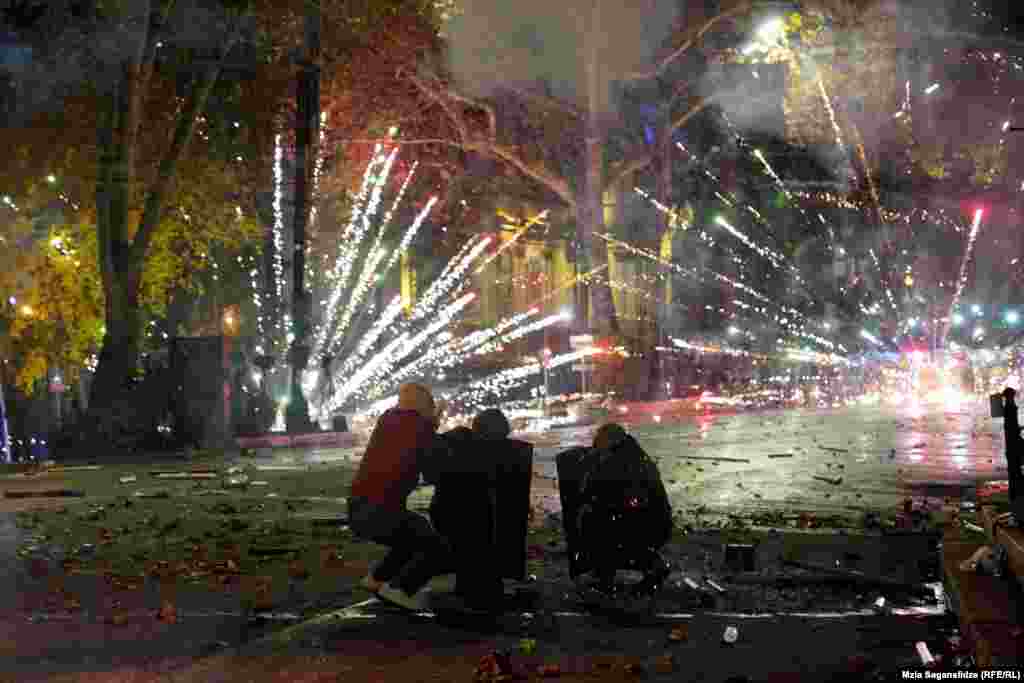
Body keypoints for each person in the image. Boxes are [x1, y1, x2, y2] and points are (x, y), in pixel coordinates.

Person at [347, 383, 448, 610]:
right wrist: (433, 424)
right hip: (379, 512)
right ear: (423, 406)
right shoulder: (419, 427)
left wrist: (430, 424)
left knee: (411, 534)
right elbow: (433, 472)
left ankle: (378, 579)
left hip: (358, 509)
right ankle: (401, 589)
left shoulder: (388, 420)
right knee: (435, 543)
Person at [562, 423, 673, 596]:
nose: (596, 447)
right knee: (603, 523)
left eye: (599, 443)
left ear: (609, 442)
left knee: (599, 526)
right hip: (651, 522)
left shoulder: (621, 461)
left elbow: (600, 492)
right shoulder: (631, 455)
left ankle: (608, 576)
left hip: (644, 524)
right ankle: (639, 567)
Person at [1004, 388, 1024, 504]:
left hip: (1013, 448)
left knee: (1014, 473)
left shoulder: (1009, 406)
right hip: (1013, 448)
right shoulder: (1009, 407)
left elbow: (1011, 426)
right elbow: (1011, 425)